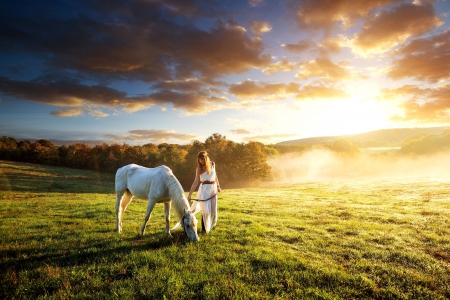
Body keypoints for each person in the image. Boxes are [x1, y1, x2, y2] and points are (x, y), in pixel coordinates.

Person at [187, 151, 221, 233]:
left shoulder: (212, 164)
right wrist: (189, 195)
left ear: (206, 158)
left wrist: (218, 186)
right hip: (204, 189)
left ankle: (212, 226)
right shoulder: (199, 169)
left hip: (213, 188)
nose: (201, 161)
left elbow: (215, 176)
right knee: (206, 209)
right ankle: (204, 229)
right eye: (199, 160)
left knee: (213, 209)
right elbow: (195, 182)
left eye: (202, 159)